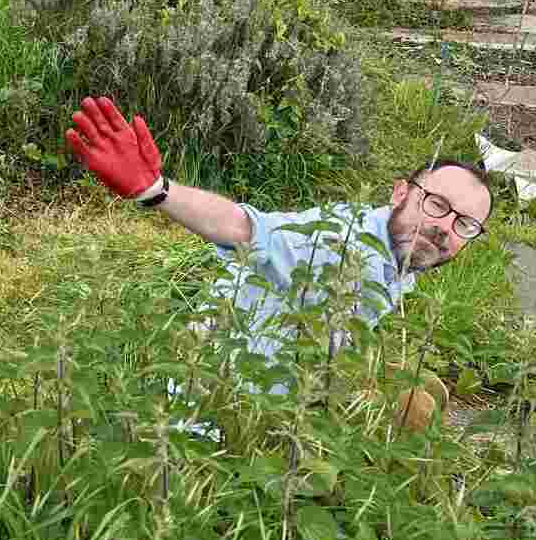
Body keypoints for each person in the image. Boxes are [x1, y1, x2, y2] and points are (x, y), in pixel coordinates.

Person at [64, 96, 492, 364]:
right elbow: (246, 228)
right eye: (436, 205)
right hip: (219, 414)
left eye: (464, 224)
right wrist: (157, 191)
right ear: (401, 192)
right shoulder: (337, 242)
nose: (443, 228)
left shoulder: (400, 255)